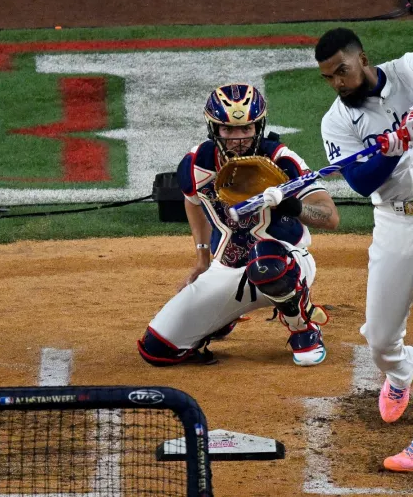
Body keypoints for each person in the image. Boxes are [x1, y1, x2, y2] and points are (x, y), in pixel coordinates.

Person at [315, 28, 413, 471]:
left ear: (361, 59)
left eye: (342, 72)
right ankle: (401, 369)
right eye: (329, 77)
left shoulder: (408, 70)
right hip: (392, 222)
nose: (338, 83)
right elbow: (362, 181)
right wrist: (394, 147)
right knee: (381, 337)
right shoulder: (337, 121)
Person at [137, 83, 341, 367]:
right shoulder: (196, 164)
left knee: (265, 260)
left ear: (258, 126)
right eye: (229, 130)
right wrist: (201, 259)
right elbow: (193, 202)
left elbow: (329, 217)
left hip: (286, 262)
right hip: (228, 269)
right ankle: (222, 317)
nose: (239, 138)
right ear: (214, 129)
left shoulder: (282, 160)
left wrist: (290, 204)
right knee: (157, 350)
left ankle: (303, 326)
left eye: (246, 129)